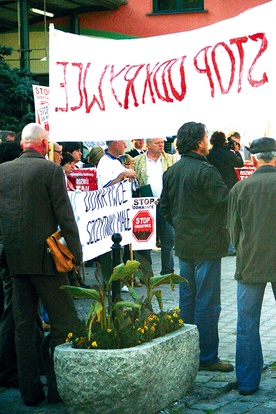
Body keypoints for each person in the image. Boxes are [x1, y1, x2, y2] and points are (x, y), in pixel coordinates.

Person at [0, 123, 82, 406]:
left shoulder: (3, 171)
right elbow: (65, 216)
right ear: (44, 143)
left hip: (15, 259)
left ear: (23, 144)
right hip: (47, 261)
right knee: (66, 322)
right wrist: (77, 256)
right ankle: (58, 389)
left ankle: (29, 393)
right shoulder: (51, 170)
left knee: (24, 327)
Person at [160, 121, 233, 372]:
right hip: (207, 244)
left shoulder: (171, 172)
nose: (208, 142)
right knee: (208, 303)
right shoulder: (206, 171)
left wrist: (182, 224)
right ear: (200, 143)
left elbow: (166, 210)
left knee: (188, 301)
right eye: (205, 138)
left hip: (185, 244)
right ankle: (207, 357)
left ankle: (188, 354)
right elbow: (224, 203)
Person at [227, 137, 276, 395]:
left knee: (247, 323)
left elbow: (233, 235)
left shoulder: (240, 189)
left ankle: (247, 382)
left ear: (254, 159)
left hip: (250, 263)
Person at [134, 138, 175, 275]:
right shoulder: (138, 161)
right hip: (146, 205)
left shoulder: (170, 159)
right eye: (157, 143)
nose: (161, 145)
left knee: (168, 238)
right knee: (145, 240)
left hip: (165, 203)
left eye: (162, 142)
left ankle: (168, 271)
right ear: (149, 145)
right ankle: (146, 272)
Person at [207, 130, 244, 256]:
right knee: (230, 218)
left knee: (218, 218)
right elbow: (240, 163)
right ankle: (230, 246)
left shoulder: (210, 154)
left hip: (214, 187)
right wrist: (236, 151)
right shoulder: (227, 153)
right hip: (229, 187)